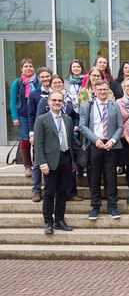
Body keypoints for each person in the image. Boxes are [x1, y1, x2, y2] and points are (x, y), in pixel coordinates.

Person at [79, 79, 124, 220]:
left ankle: (112, 207)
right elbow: (82, 126)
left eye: (105, 89)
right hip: (95, 144)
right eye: (100, 90)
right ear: (95, 91)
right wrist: (95, 140)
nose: (103, 92)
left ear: (109, 90)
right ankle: (95, 206)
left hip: (111, 144)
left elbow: (120, 127)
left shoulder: (114, 105)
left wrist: (112, 140)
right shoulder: (87, 106)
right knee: (94, 176)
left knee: (111, 176)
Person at [35, 91, 75, 235]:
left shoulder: (67, 119)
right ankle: (48, 222)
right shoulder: (42, 120)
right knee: (49, 193)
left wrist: (73, 161)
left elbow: (71, 141)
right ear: (49, 102)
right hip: (50, 161)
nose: (57, 102)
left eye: (59, 100)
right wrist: (42, 163)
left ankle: (59, 220)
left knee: (62, 192)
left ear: (63, 102)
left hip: (65, 159)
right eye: (54, 100)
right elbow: (38, 144)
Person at [10, 58, 41, 177]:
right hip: (22, 116)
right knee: (25, 140)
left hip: (36, 115)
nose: (29, 68)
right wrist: (14, 117)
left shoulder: (38, 82)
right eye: (26, 66)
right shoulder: (17, 83)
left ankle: (36, 164)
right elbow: (13, 101)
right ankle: (27, 166)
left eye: (31, 66)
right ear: (22, 68)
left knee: (37, 140)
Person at [27, 67, 52, 201]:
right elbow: (31, 115)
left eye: (47, 76)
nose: (45, 79)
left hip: (54, 133)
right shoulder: (34, 94)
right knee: (37, 162)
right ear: (39, 79)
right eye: (42, 77)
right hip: (40, 133)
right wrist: (32, 134)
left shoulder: (57, 93)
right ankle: (36, 189)